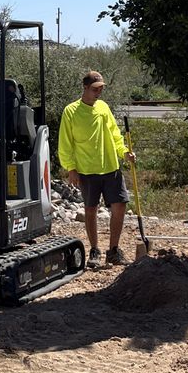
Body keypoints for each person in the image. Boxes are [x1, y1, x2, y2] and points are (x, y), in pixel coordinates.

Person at [58, 71, 135, 270]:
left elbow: (115, 134)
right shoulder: (71, 111)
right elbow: (65, 143)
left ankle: (114, 250)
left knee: (120, 205)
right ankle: (94, 250)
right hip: (86, 169)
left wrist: (124, 152)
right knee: (90, 209)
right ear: (85, 88)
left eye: (101, 88)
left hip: (110, 166)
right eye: (95, 89)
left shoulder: (103, 108)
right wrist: (71, 168)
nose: (99, 92)